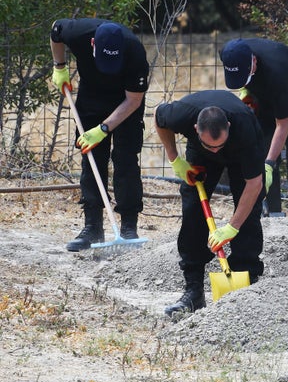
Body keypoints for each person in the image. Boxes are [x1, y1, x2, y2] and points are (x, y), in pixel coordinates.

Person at [154, 90, 266, 315]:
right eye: (211, 146)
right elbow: (158, 117)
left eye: (219, 145)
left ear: (228, 127)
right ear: (196, 129)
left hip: (240, 153)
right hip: (200, 155)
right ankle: (193, 291)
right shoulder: (180, 115)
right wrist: (175, 159)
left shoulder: (245, 129)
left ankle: (245, 282)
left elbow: (254, 185)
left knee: (248, 212)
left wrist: (231, 228)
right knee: (193, 207)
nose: (216, 150)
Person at [50, 19, 149, 251]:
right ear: (92, 43)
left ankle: (128, 228)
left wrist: (104, 129)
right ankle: (92, 227)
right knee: (92, 156)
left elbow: (134, 100)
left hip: (125, 102)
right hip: (91, 97)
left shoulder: (134, 52)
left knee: (125, 159)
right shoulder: (77, 33)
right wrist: (59, 66)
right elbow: (55, 31)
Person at [220, 38, 288, 217]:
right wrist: (246, 93)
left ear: (254, 62)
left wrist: (269, 163)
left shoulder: (277, 72)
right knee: (261, 149)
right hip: (264, 97)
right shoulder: (229, 54)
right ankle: (271, 213)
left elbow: (283, 125)